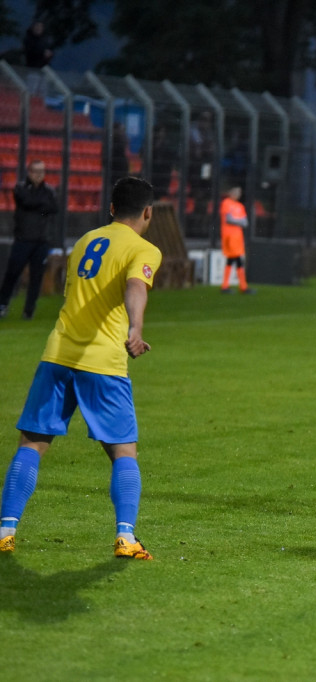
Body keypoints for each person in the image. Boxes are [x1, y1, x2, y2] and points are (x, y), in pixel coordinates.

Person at [0, 177, 162, 560]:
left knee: (33, 443)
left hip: (57, 354)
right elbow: (136, 288)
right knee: (124, 452)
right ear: (148, 212)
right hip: (103, 362)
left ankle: (5, 530)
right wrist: (135, 328)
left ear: (110, 208)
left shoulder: (85, 241)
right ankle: (126, 537)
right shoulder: (144, 249)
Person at [0, 160, 59, 320]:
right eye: (36, 171)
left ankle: (29, 310)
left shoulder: (49, 190)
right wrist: (41, 206)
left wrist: (38, 206)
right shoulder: (20, 188)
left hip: (41, 241)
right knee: (13, 273)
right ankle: (3, 303)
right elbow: (26, 202)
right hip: (23, 239)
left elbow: (54, 207)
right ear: (29, 172)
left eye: (42, 171)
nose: (39, 175)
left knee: (36, 276)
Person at [219, 184, 252, 294]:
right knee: (236, 259)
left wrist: (236, 220)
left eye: (239, 193)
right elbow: (229, 219)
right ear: (231, 193)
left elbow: (245, 222)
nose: (238, 195)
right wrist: (239, 221)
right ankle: (240, 286)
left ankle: (229, 286)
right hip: (229, 236)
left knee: (234, 260)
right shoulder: (226, 203)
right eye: (236, 192)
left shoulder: (240, 206)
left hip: (238, 237)